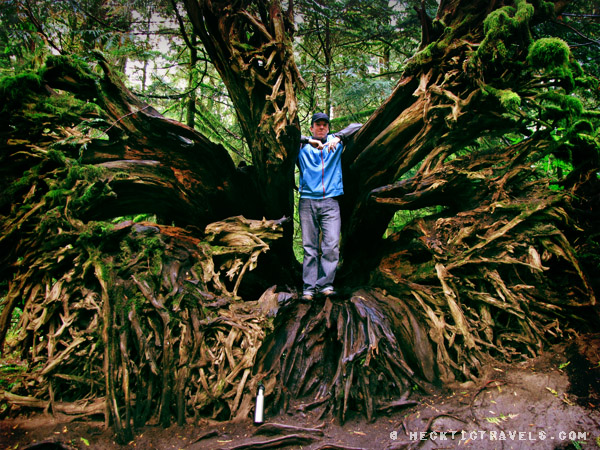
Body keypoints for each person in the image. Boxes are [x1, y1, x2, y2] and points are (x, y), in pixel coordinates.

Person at [297, 112, 361, 300]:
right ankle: (309, 289)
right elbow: (287, 137)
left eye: (325, 125)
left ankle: (325, 285)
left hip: (331, 202)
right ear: (311, 128)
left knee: (331, 245)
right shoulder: (302, 145)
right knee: (309, 247)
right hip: (307, 201)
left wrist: (339, 137)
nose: (322, 128)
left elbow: (358, 126)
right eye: (318, 125)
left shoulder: (335, 141)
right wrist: (309, 141)